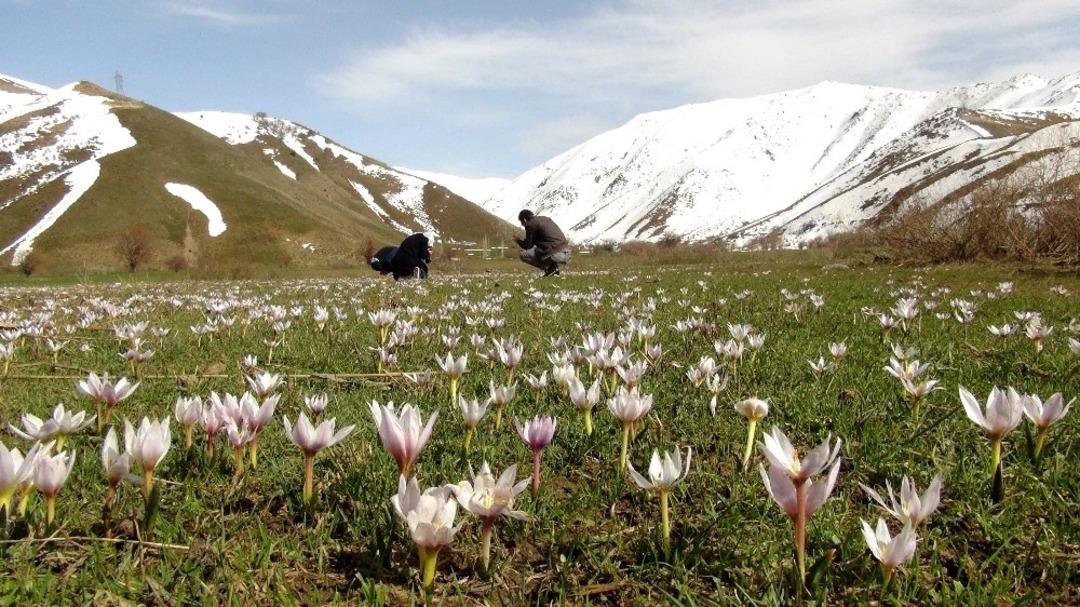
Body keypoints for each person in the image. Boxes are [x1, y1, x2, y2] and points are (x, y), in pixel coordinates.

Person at [514, 209, 570, 277]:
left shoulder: (530, 225)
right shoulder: (545, 218)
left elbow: (527, 246)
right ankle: (552, 270)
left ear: (524, 219)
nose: (522, 225)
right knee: (538, 248)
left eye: (521, 222)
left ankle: (550, 269)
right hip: (567, 252)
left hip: (556, 255)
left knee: (524, 254)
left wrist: (518, 240)